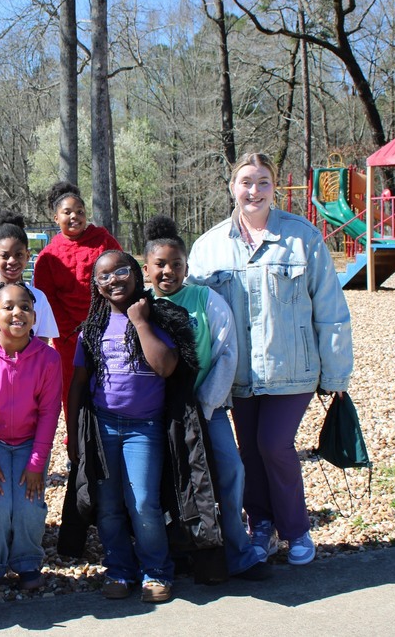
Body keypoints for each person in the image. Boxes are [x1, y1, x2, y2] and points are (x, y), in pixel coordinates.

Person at [186, 152, 353, 566]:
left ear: (274, 187)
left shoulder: (302, 237)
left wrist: (335, 374)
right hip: (238, 374)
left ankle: (296, 529)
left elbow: (330, 309)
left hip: (291, 369)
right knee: (249, 451)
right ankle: (261, 525)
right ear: (232, 187)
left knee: (274, 444)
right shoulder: (209, 247)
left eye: (262, 181)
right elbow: (188, 310)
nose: (254, 190)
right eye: (246, 182)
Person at [141, 216, 271, 581]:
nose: (168, 271)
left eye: (176, 264)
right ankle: (173, 551)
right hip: (156, 412)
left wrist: (206, 403)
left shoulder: (204, 299)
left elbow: (227, 353)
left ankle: (238, 550)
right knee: (164, 481)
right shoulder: (140, 304)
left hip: (205, 408)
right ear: (147, 268)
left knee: (230, 471)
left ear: (187, 266)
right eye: (160, 265)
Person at [66, 251, 178, 603]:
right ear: (96, 286)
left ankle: (156, 571)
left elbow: (167, 368)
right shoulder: (93, 329)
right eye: (104, 276)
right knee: (109, 505)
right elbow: (78, 385)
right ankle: (119, 569)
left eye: (121, 271)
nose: (114, 280)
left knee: (143, 502)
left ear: (136, 273)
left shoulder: (157, 319)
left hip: (144, 428)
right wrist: (73, 435)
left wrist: (141, 322)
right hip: (104, 428)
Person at [0, 282, 62, 593]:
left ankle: (27, 561)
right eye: (8, 307)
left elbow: (49, 413)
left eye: (25, 307)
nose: (17, 312)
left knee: (30, 506)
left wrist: (36, 463)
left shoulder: (48, 359)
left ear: (35, 317)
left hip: (32, 444)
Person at [32, 182, 121, 427]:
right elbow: (46, 300)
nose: (74, 217)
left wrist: (105, 322)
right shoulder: (48, 256)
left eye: (80, 211)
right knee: (74, 389)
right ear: (56, 217)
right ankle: (78, 445)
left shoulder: (103, 240)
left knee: (110, 384)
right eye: (67, 212)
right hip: (68, 337)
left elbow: (122, 279)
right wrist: (71, 331)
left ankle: (109, 438)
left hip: (106, 329)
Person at [0, 210, 59, 341]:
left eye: (18, 255)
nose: (12, 261)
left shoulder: (39, 298)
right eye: (5, 256)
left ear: (28, 256)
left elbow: (42, 343)